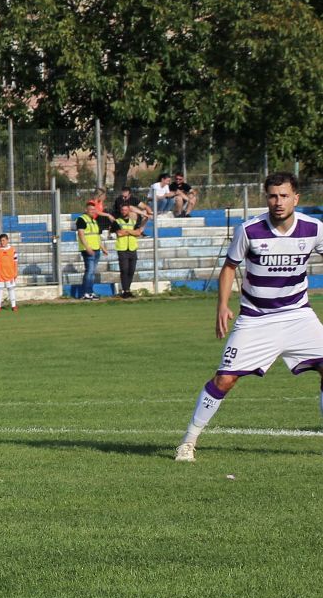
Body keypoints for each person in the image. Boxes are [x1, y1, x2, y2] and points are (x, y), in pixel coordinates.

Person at [177, 172, 323, 462]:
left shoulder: (314, 228)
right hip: (256, 318)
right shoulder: (250, 229)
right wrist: (223, 304)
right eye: (272, 195)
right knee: (225, 380)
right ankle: (188, 442)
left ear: (296, 198)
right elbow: (230, 267)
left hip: (298, 315)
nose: (278, 202)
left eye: (284, 196)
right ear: (266, 197)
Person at [74, 198, 111, 297]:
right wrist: (87, 247)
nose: (92, 211)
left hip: (96, 249)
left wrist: (103, 248)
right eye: (90, 209)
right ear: (86, 210)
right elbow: (81, 234)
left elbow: (96, 237)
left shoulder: (94, 221)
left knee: (92, 272)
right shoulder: (81, 219)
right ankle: (86, 292)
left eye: (94, 210)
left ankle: (90, 292)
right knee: (89, 271)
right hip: (88, 250)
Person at [115, 201, 145, 297]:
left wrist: (127, 231)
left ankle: (127, 289)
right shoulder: (117, 222)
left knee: (131, 270)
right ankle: (125, 290)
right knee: (124, 270)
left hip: (132, 248)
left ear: (128, 211)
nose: (124, 211)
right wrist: (132, 231)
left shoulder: (133, 222)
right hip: (122, 249)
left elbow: (138, 233)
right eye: (122, 210)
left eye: (126, 210)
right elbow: (119, 233)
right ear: (120, 211)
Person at [0, 233, 20, 311]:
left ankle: (14, 306)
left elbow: (16, 261)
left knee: (11, 289)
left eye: (4, 240)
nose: (2, 242)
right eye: (1, 241)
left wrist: (16, 272)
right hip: (0, 273)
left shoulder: (12, 250)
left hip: (10, 273)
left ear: (7, 240)